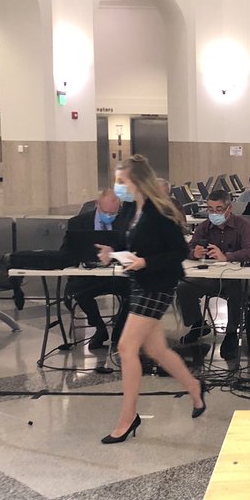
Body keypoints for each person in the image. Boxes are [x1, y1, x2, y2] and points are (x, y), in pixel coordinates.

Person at [96, 155, 206, 444]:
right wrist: (112, 253)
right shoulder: (131, 210)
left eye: (122, 181)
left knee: (126, 347)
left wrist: (145, 262)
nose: (118, 186)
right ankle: (194, 387)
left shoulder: (160, 211)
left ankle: (128, 417)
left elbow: (178, 251)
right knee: (156, 350)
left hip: (158, 285)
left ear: (136, 181)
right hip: (139, 283)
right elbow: (129, 243)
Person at [177, 189, 250, 359]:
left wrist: (226, 256)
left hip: (236, 278)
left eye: (219, 209)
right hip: (211, 277)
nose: (214, 213)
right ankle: (198, 324)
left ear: (229, 208)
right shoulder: (204, 227)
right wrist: (194, 253)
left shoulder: (243, 225)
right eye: (210, 209)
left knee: (236, 291)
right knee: (184, 287)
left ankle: (231, 333)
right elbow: (188, 248)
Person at [61, 188, 133, 350]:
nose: (109, 215)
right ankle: (99, 328)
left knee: (135, 292)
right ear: (97, 204)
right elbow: (66, 250)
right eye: (105, 212)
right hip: (89, 275)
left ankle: (119, 333)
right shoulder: (78, 223)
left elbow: (133, 248)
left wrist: (116, 253)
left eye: (113, 213)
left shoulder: (126, 222)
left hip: (118, 275)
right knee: (78, 291)